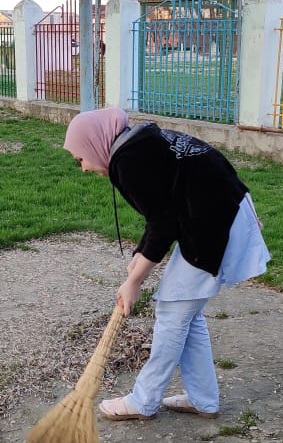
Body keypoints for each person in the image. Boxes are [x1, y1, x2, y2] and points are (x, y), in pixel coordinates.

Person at [64, 107, 270, 421]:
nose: (83, 167)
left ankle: (143, 401)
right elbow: (163, 208)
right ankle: (203, 400)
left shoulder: (128, 161)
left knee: (173, 314)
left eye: (81, 158)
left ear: (94, 143)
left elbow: (164, 224)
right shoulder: (140, 143)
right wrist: (140, 254)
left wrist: (134, 282)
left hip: (215, 228)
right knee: (187, 314)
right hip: (222, 216)